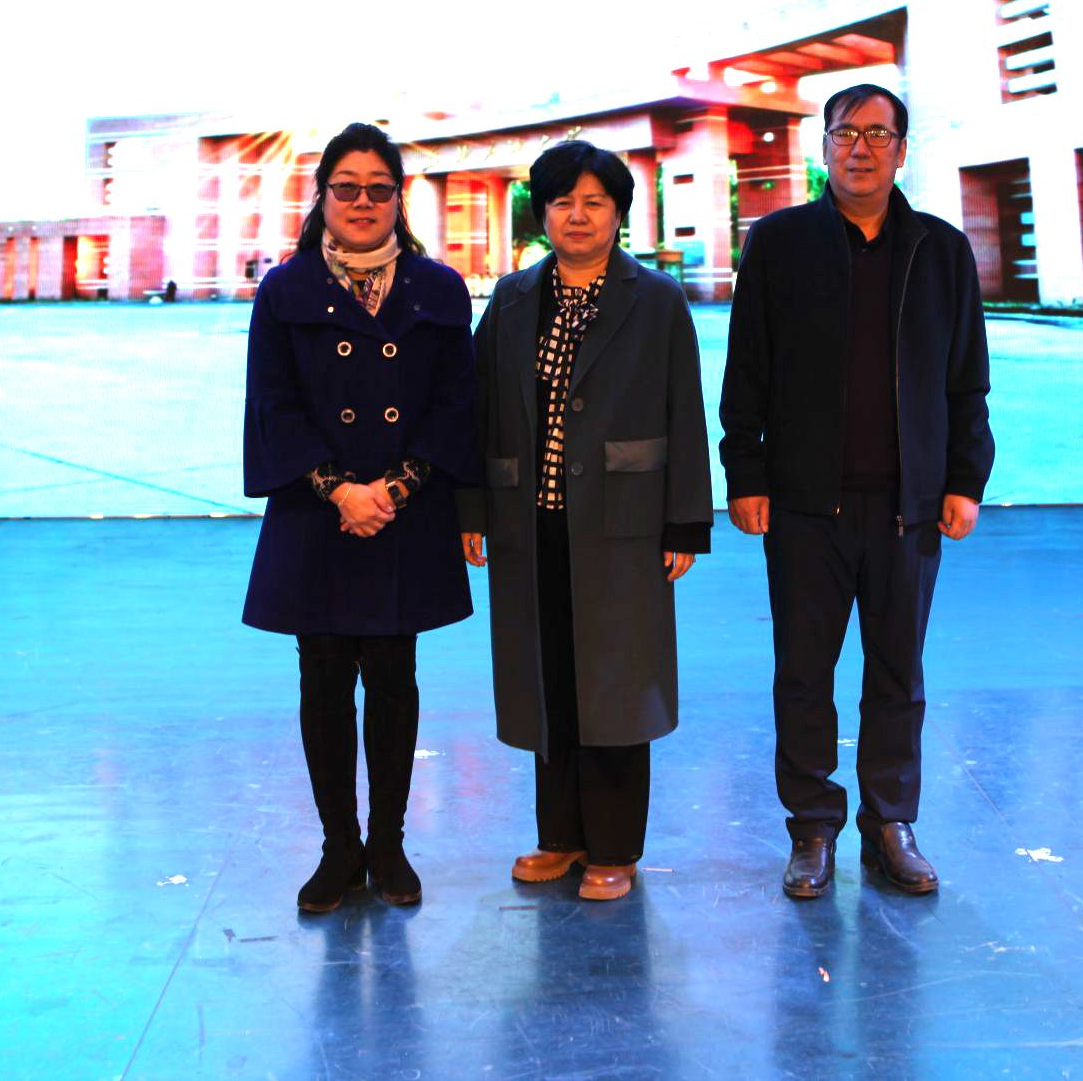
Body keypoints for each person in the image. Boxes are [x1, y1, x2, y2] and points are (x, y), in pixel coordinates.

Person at [719, 83, 994, 899]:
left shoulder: (941, 251)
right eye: (846, 132)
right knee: (803, 673)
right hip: (805, 505)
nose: (861, 147)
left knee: (898, 672)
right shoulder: (778, 243)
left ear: (902, 150)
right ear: (825, 146)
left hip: (909, 506)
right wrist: (745, 472)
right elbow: (747, 370)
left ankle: (889, 823)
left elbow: (967, 382)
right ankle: (812, 826)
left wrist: (965, 479)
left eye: (878, 133)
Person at [459, 141, 713, 902]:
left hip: (623, 524)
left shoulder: (656, 299)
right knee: (549, 680)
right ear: (542, 213)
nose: (578, 215)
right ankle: (560, 836)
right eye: (563, 201)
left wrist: (685, 523)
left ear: (618, 213)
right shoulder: (512, 298)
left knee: (616, 681)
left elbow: (684, 411)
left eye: (594, 201)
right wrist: (471, 507)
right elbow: (477, 408)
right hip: (529, 521)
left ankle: (615, 847)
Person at [241, 121, 478, 914]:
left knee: (393, 676)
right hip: (318, 514)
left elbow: (455, 406)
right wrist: (341, 490)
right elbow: (273, 404)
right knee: (322, 678)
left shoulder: (438, 288)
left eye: (379, 188)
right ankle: (338, 846)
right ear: (324, 196)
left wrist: (393, 490)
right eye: (347, 187)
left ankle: (388, 843)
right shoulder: (286, 289)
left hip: (402, 514)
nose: (363, 201)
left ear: (398, 197)